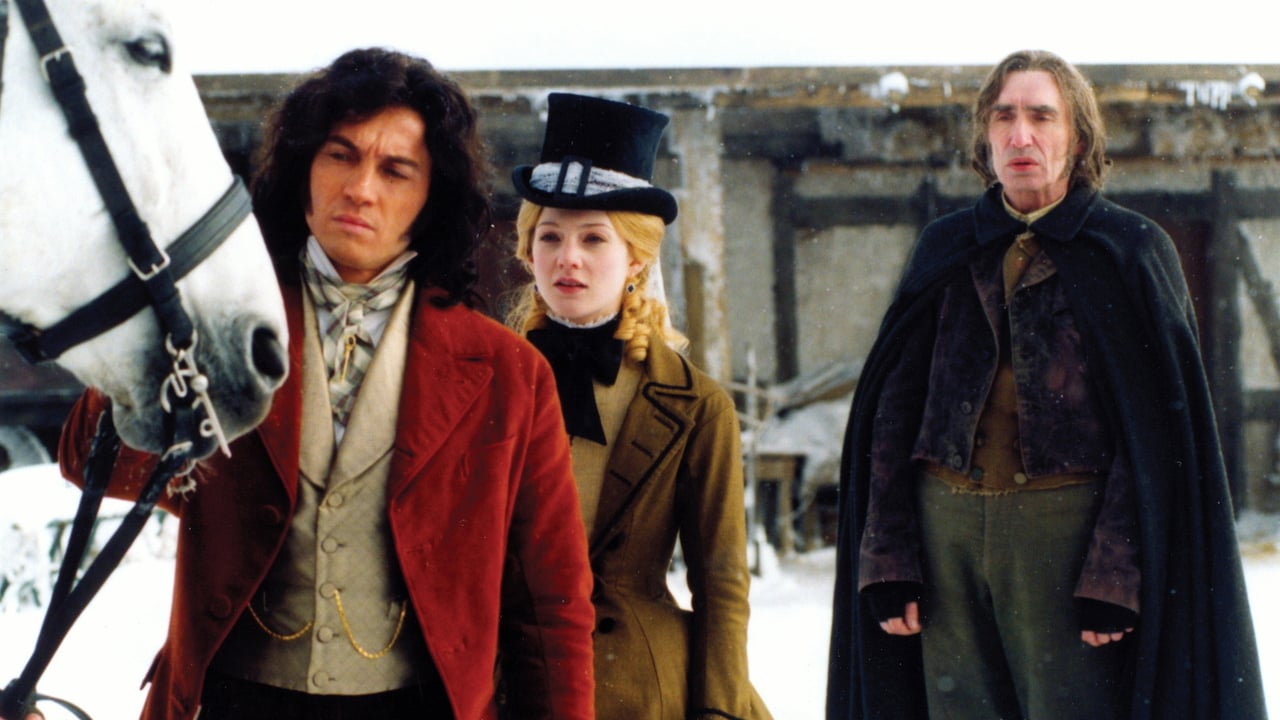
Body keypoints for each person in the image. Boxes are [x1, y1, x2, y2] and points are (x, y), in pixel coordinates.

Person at [55, 48, 594, 720]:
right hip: (231, 702)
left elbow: (550, 603)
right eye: (341, 155)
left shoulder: (508, 373)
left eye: (395, 170)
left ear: (432, 198)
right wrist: (159, 331)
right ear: (303, 169)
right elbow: (98, 466)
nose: (361, 189)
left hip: (418, 707)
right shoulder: (219, 325)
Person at [825, 50, 1267, 719]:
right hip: (944, 537)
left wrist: (1115, 572)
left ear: (1078, 139)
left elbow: (1154, 436)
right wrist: (888, 556)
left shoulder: (1129, 250)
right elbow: (893, 411)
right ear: (985, 137)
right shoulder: (948, 248)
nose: (1020, 135)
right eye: (1004, 117)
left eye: (1041, 116)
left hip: (1066, 538)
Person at [506, 92, 773, 720]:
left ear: (637, 258)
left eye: (594, 238)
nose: (568, 258)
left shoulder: (697, 406)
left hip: (641, 687)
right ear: (527, 251)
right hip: (507, 676)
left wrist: (718, 708)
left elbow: (721, 584)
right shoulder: (485, 383)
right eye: (551, 236)